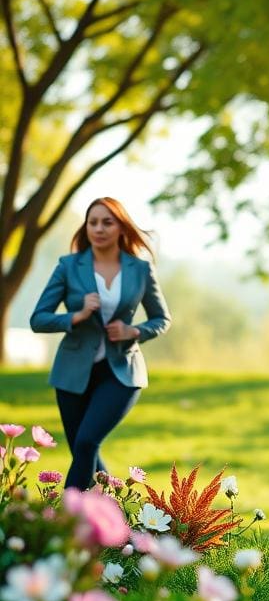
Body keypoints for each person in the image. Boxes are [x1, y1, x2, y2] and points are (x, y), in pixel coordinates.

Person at [30, 197, 171, 489]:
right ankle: (121, 521)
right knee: (84, 451)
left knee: (86, 441)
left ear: (121, 227)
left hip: (122, 372)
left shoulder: (140, 270)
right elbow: (39, 319)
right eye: (93, 222)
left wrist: (133, 331)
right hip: (72, 373)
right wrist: (77, 316)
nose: (99, 228)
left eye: (107, 222)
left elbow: (161, 319)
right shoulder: (69, 267)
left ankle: (66, 518)